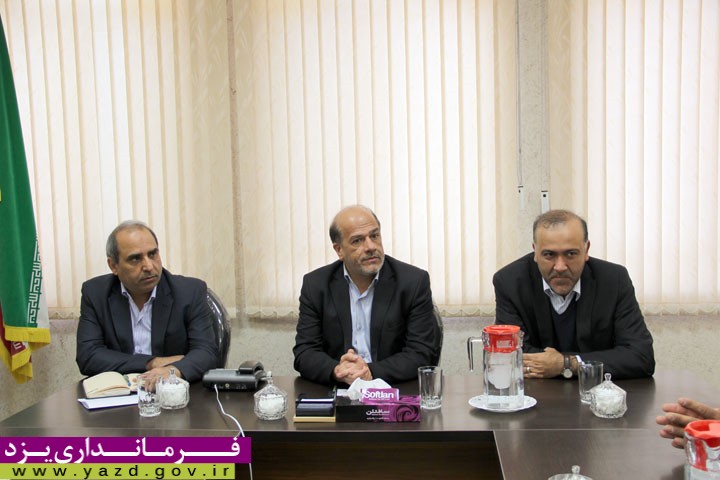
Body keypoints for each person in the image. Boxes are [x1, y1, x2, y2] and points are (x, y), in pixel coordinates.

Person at [493, 209, 655, 379]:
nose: (560, 267)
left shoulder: (614, 280)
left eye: (570, 254)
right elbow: (510, 355)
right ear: (535, 251)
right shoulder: (509, 283)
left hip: (598, 390)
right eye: (549, 255)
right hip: (536, 391)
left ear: (586, 250)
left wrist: (567, 364)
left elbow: (641, 357)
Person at [293, 205, 439, 385]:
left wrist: (369, 372)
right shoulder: (316, 285)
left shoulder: (412, 282)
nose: (370, 246)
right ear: (339, 250)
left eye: (374, 236)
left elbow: (421, 353)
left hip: (392, 388)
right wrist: (337, 370)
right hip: (339, 389)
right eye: (357, 241)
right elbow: (305, 353)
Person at [76, 220, 219, 383]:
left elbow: (206, 352)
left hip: (173, 390)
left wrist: (173, 371)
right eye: (135, 259)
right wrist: (151, 363)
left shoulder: (189, 292)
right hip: (120, 392)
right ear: (113, 265)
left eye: (152, 254)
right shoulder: (96, 293)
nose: (149, 266)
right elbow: (88, 356)